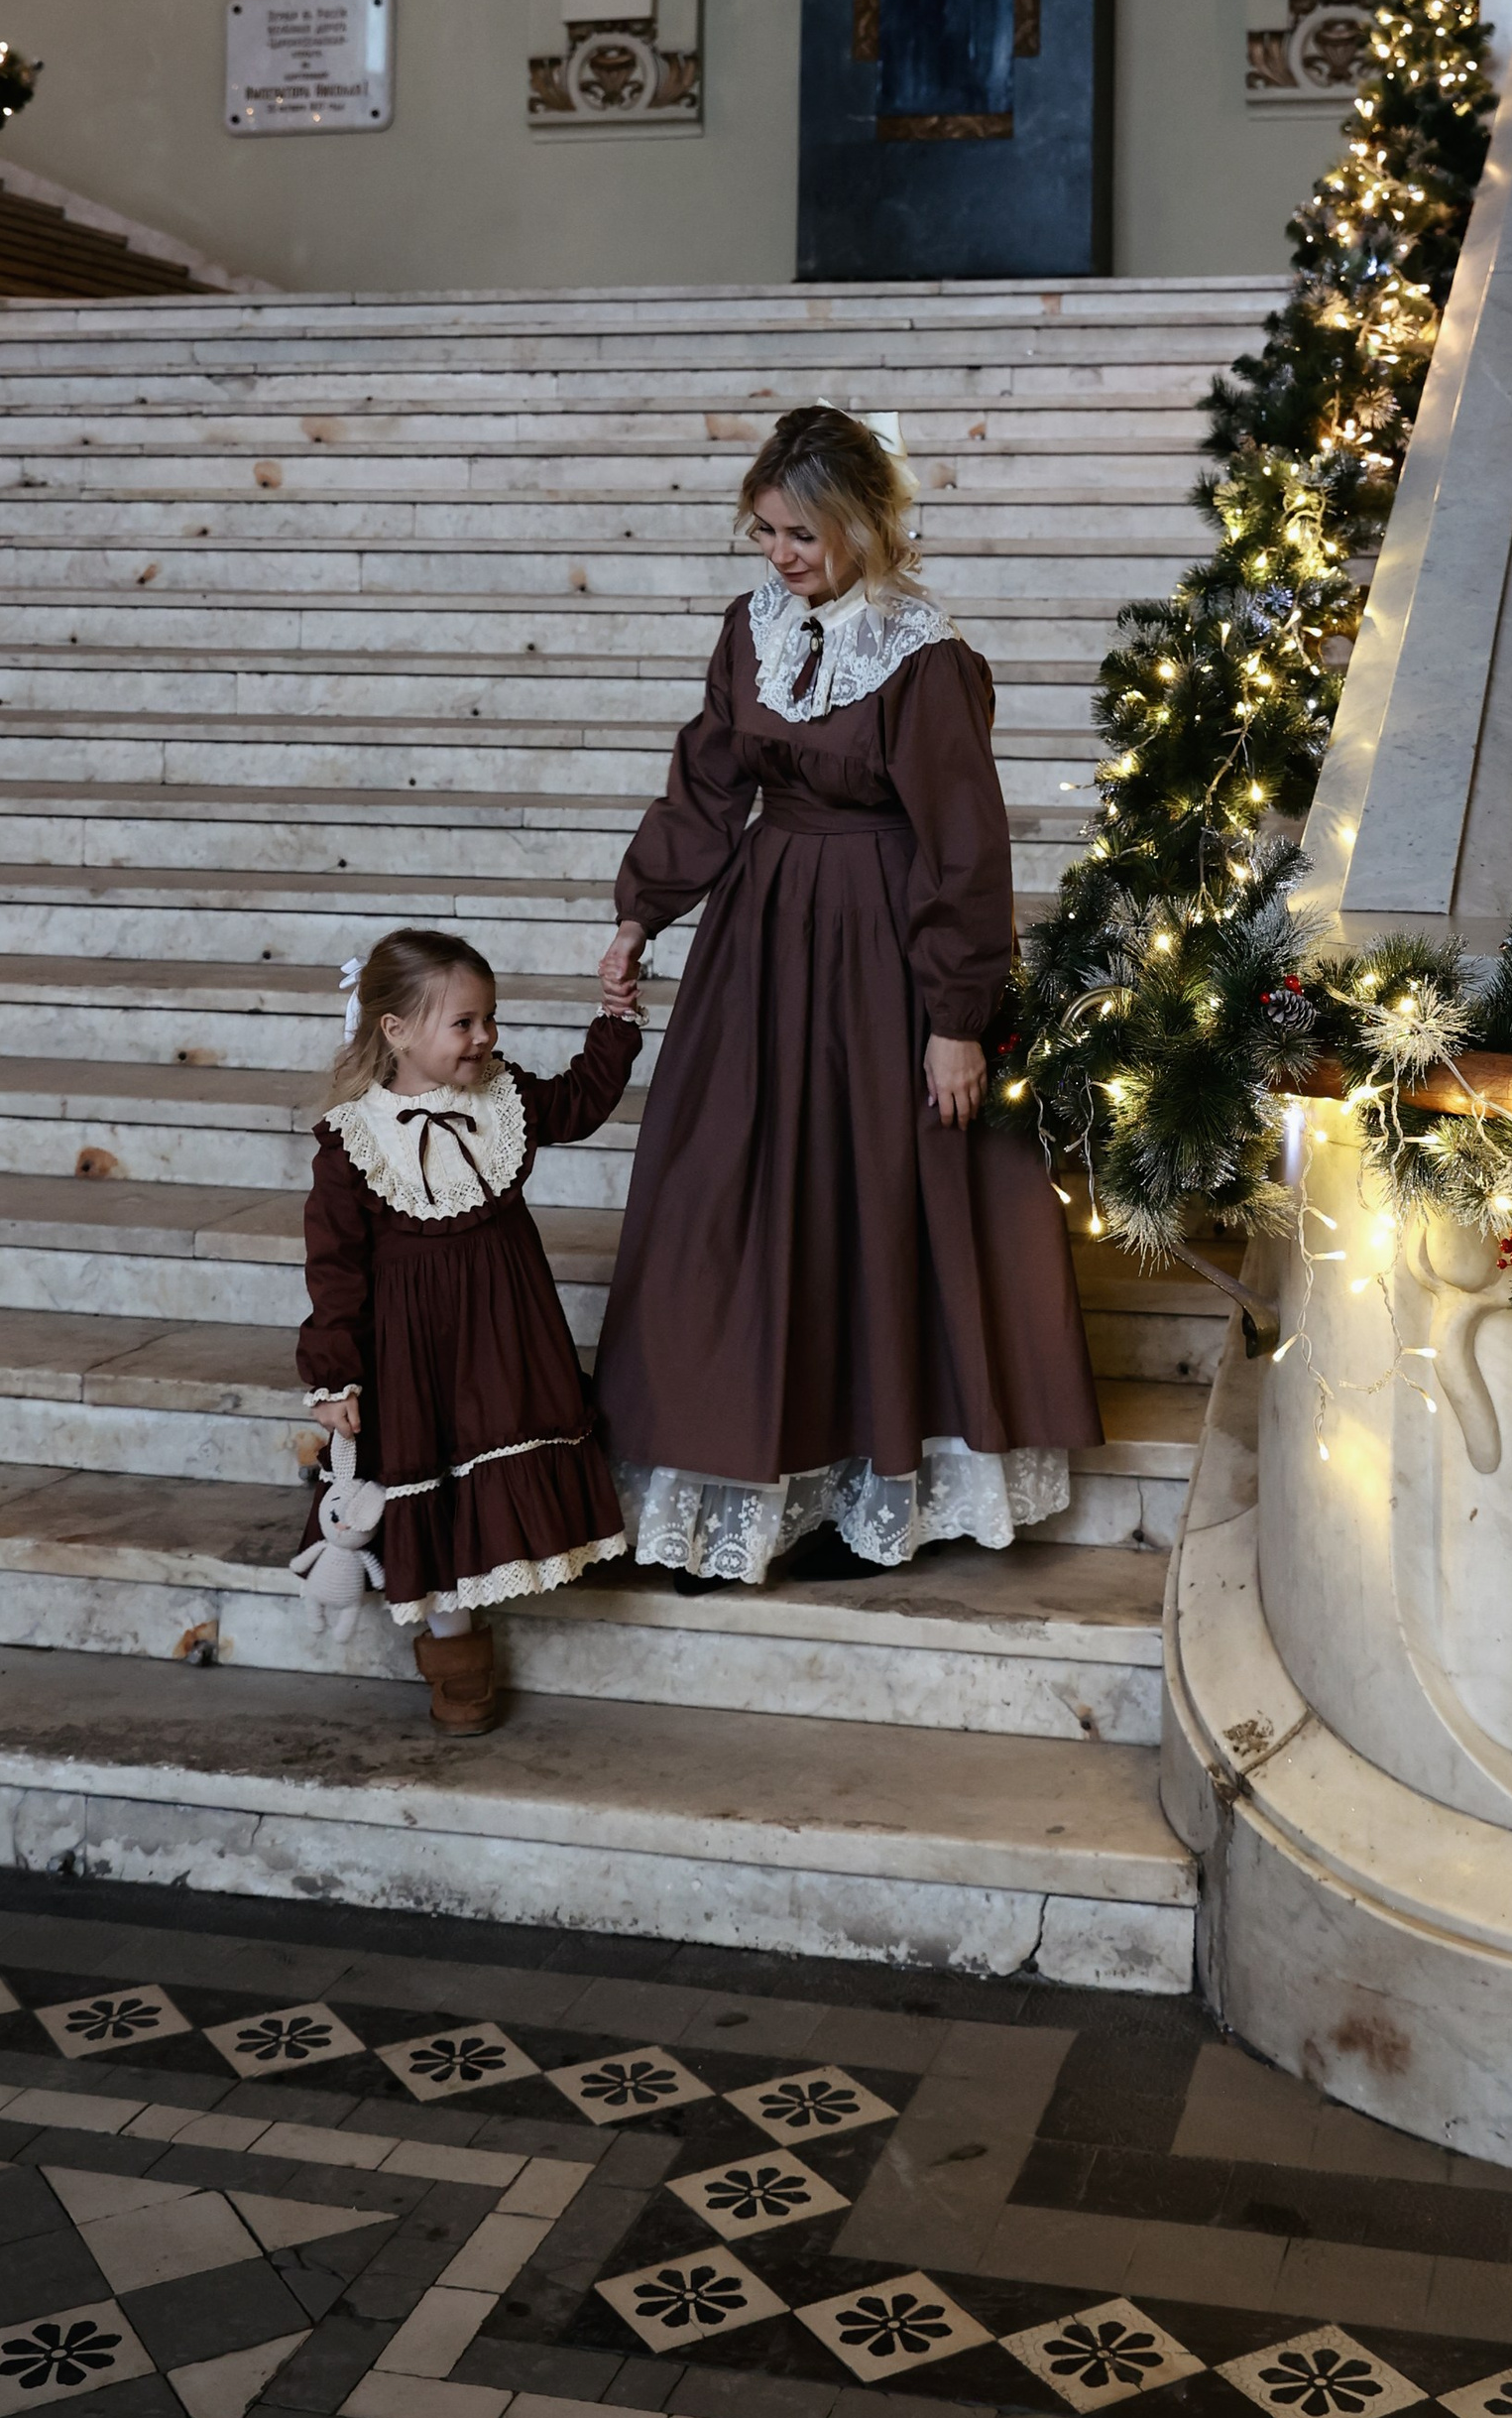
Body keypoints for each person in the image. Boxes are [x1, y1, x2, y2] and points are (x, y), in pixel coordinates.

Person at [594, 404, 1102, 1583]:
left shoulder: (926, 655)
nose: (781, 555)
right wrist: (639, 912)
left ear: (865, 524)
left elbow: (964, 851)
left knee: (876, 1190)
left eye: (801, 535)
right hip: (763, 944)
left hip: (884, 944)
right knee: (730, 1178)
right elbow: (706, 786)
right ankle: (737, 1460)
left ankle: (885, 1477)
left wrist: (954, 1021)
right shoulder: (752, 629)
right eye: (764, 532)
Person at [299, 925, 637, 1730]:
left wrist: (616, 1020)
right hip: (413, 1354)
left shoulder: (503, 1097)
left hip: (506, 1333)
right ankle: (458, 1661)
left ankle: (526, 1557)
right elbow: (335, 1273)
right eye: (463, 1023)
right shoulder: (352, 1144)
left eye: (490, 1019)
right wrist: (334, 1376)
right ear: (396, 1030)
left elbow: (580, 1101)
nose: (484, 1037)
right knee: (431, 1479)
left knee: (502, 1449)